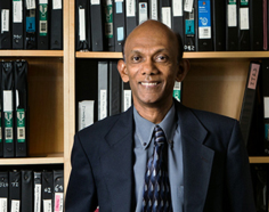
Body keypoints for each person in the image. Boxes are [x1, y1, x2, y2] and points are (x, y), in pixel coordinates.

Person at [65, 20, 256, 212]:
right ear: (124, 70)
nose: (149, 69)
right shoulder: (91, 142)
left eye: (161, 58)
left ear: (180, 69)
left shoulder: (223, 135)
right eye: (137, 59)